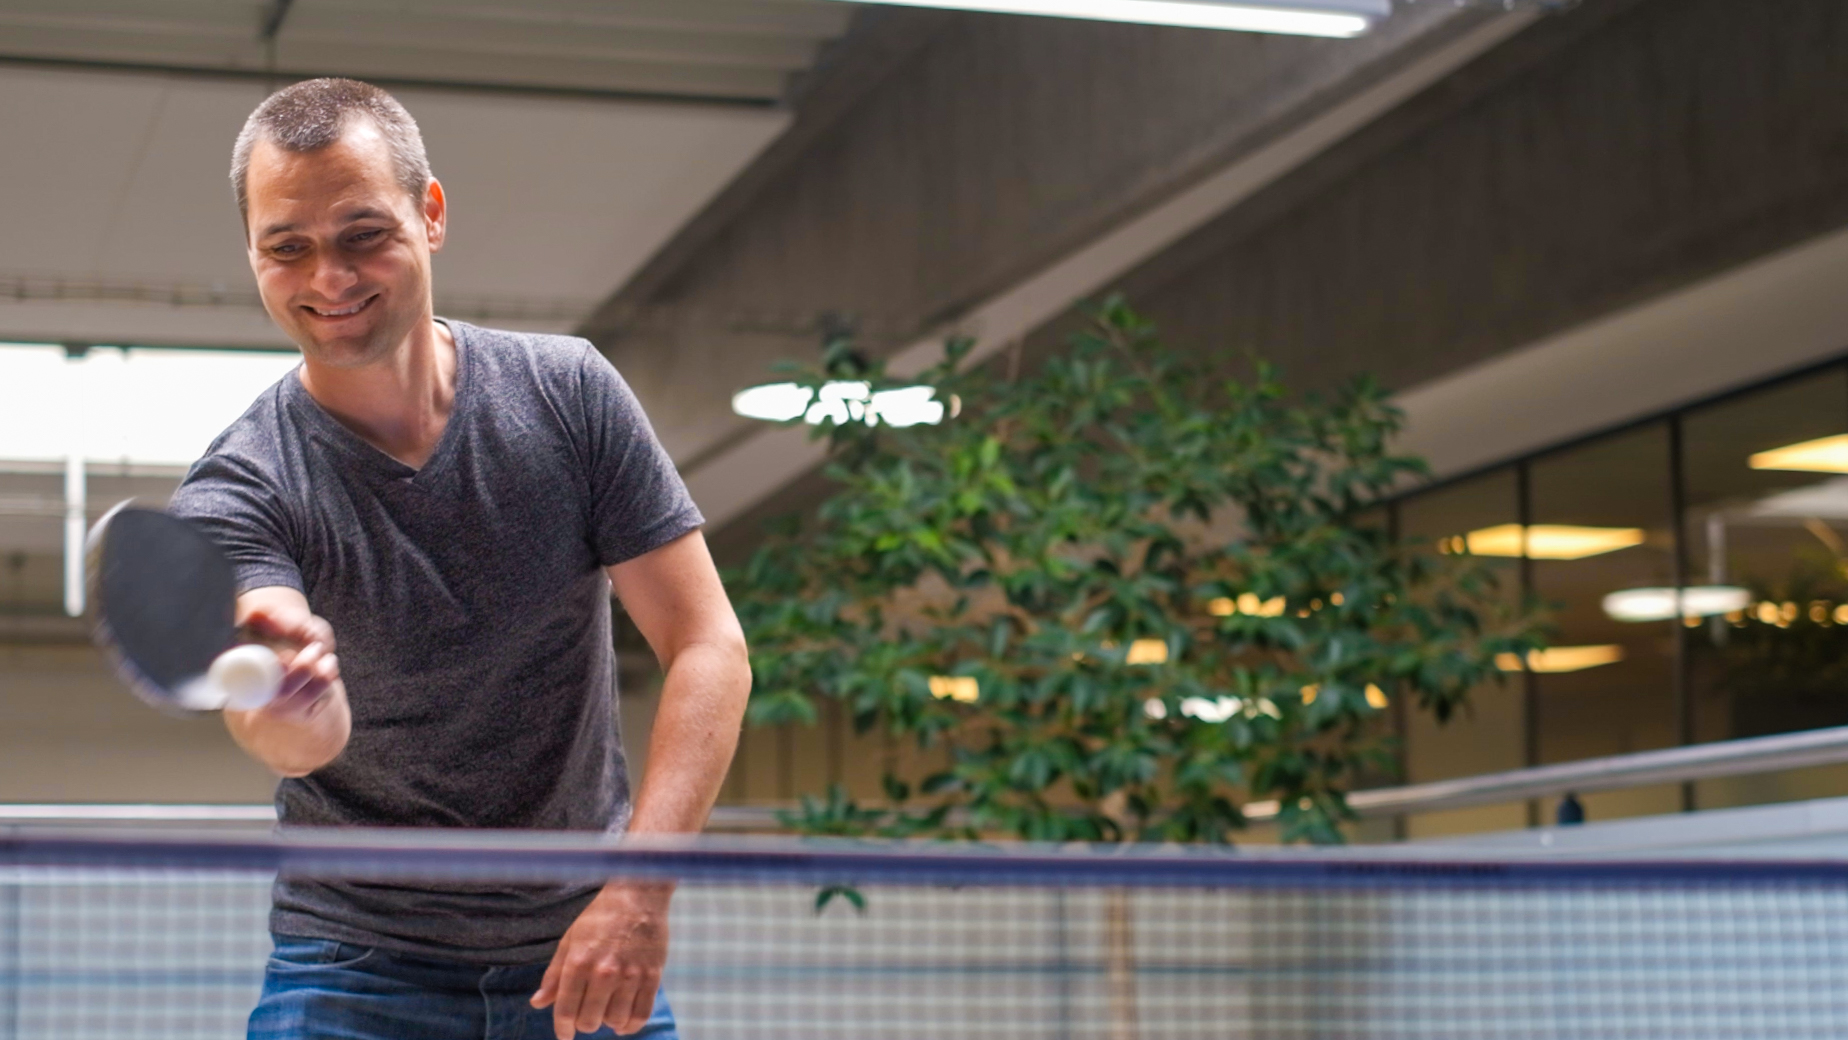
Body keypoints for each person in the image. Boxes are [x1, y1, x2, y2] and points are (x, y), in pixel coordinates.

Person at [167, 77, 751, 1040]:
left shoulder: (568, 395)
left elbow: (708, 645)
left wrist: (640, 896)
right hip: (353, 960)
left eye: (363, 235)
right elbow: (295, 745)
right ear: (254, 258)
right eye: (289, 249)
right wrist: (292, 695)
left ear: (429, 213)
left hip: (582, 944)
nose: (330, 279)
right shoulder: (241, 487)